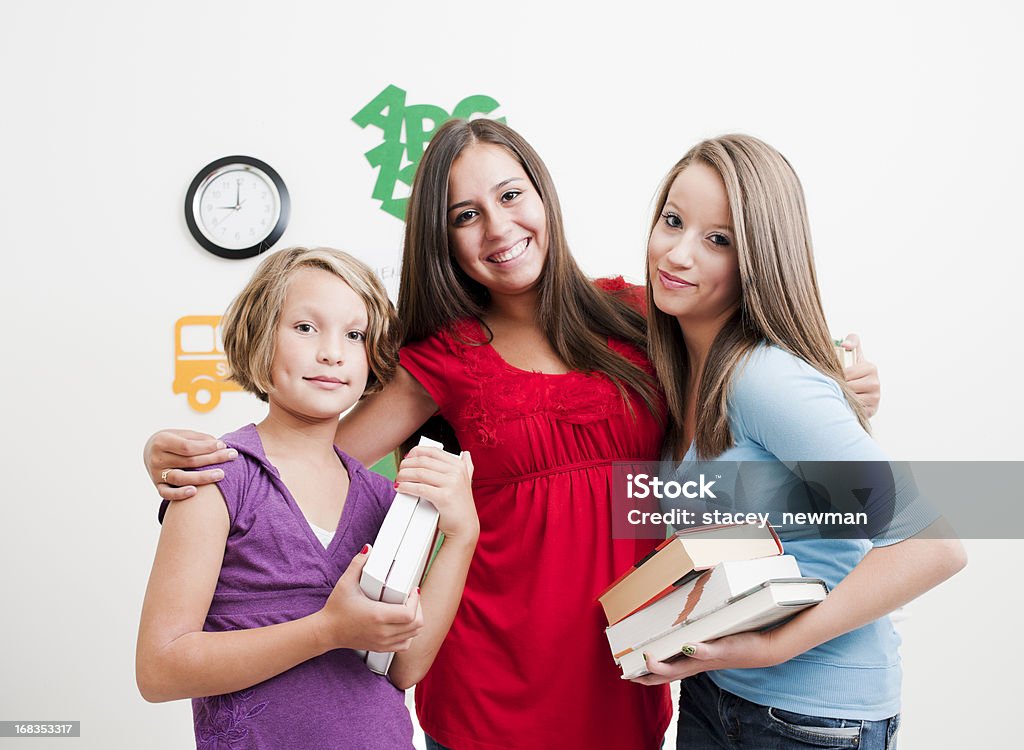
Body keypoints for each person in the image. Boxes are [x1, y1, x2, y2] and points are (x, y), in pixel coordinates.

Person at [143, 120, 881, 750]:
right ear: (443, 239)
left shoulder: (640, 316)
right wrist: (183, 468)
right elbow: (309, 455)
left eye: (509, 196)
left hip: (624, 662)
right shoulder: (444, 356)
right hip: (487, 673)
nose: (498, 229)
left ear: (542, 194)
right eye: (464, 216)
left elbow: (733, 416)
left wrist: (841, 394)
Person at [635, 134, 966, 749]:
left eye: (718, 239)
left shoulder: (765, 380)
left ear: (759, 258)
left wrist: (774, 646)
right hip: (719, 692)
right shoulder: (681, 363)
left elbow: (933, 545)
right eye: (672, 221)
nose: (677, 253)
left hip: (811, 717)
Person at [135, 246, 478, 749]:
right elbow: (159, 669)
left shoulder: (386, 499)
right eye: (305, 328)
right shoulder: (217, 479)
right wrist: (328, 630)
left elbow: (403, 668)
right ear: (259, 337)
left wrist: (462, 535)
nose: (332, 353)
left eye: (354, 335)